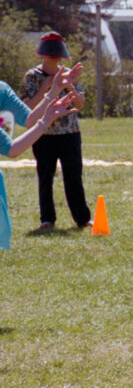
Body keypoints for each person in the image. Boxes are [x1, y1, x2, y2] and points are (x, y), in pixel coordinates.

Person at [20, 32, 90, 229]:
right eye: (50, 55)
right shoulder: (32, 76)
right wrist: (47, 87)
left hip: (70, 133)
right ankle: (47, 220)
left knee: (74, 177)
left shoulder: (68, 73)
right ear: (43, 55)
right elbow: (27, 107)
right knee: (45, 177)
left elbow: (80, 104)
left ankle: (83, 219)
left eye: (57, 55)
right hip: (43, 134)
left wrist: (70, 86)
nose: (54, 59)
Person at [1, 75, 80, 248]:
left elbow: (29, 119)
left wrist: (53, 92)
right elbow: (12, 149)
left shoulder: (2, 89)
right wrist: (44, 122)